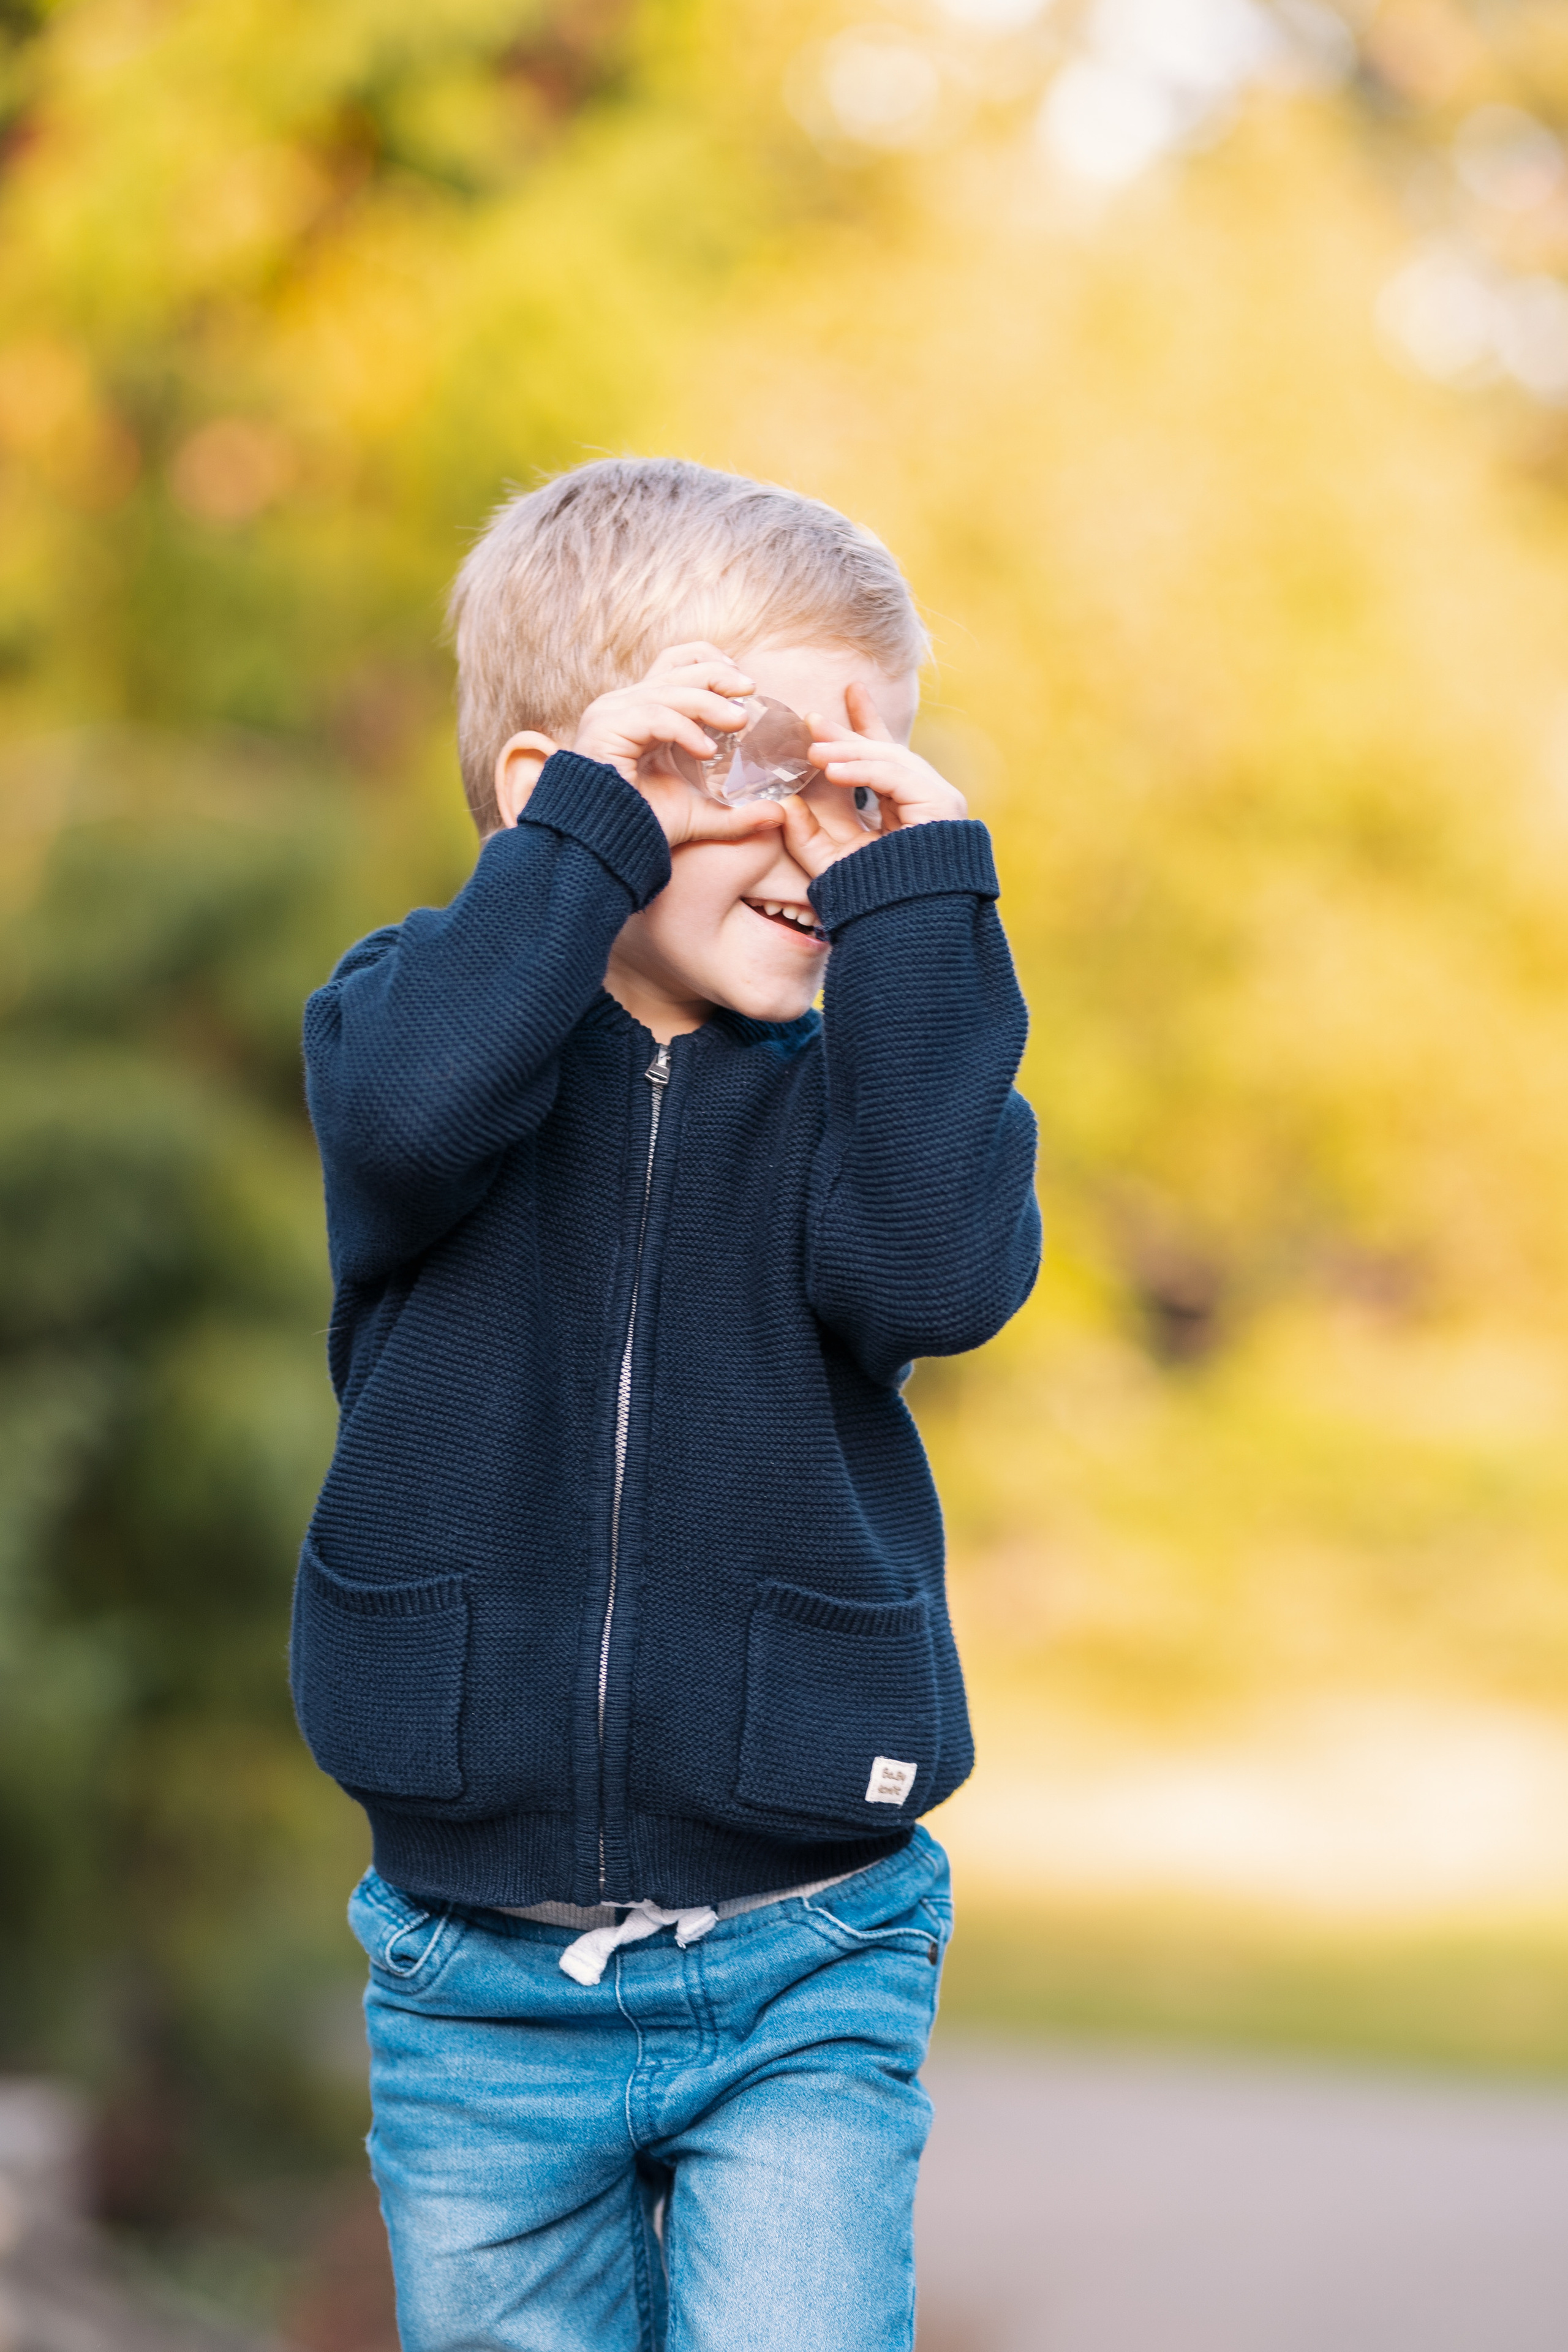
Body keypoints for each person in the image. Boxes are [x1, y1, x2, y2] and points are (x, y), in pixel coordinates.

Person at [293, 456, 1040, 2352]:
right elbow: (410, 1120)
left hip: (810, 1942)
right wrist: (575, 856)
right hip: (476, 1974)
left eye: (854, 792)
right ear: (572, 801)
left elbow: (937, 1276)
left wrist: (924, 910)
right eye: (757, 771)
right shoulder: (407, 1024)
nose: (814, 846)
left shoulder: (859, 1092)